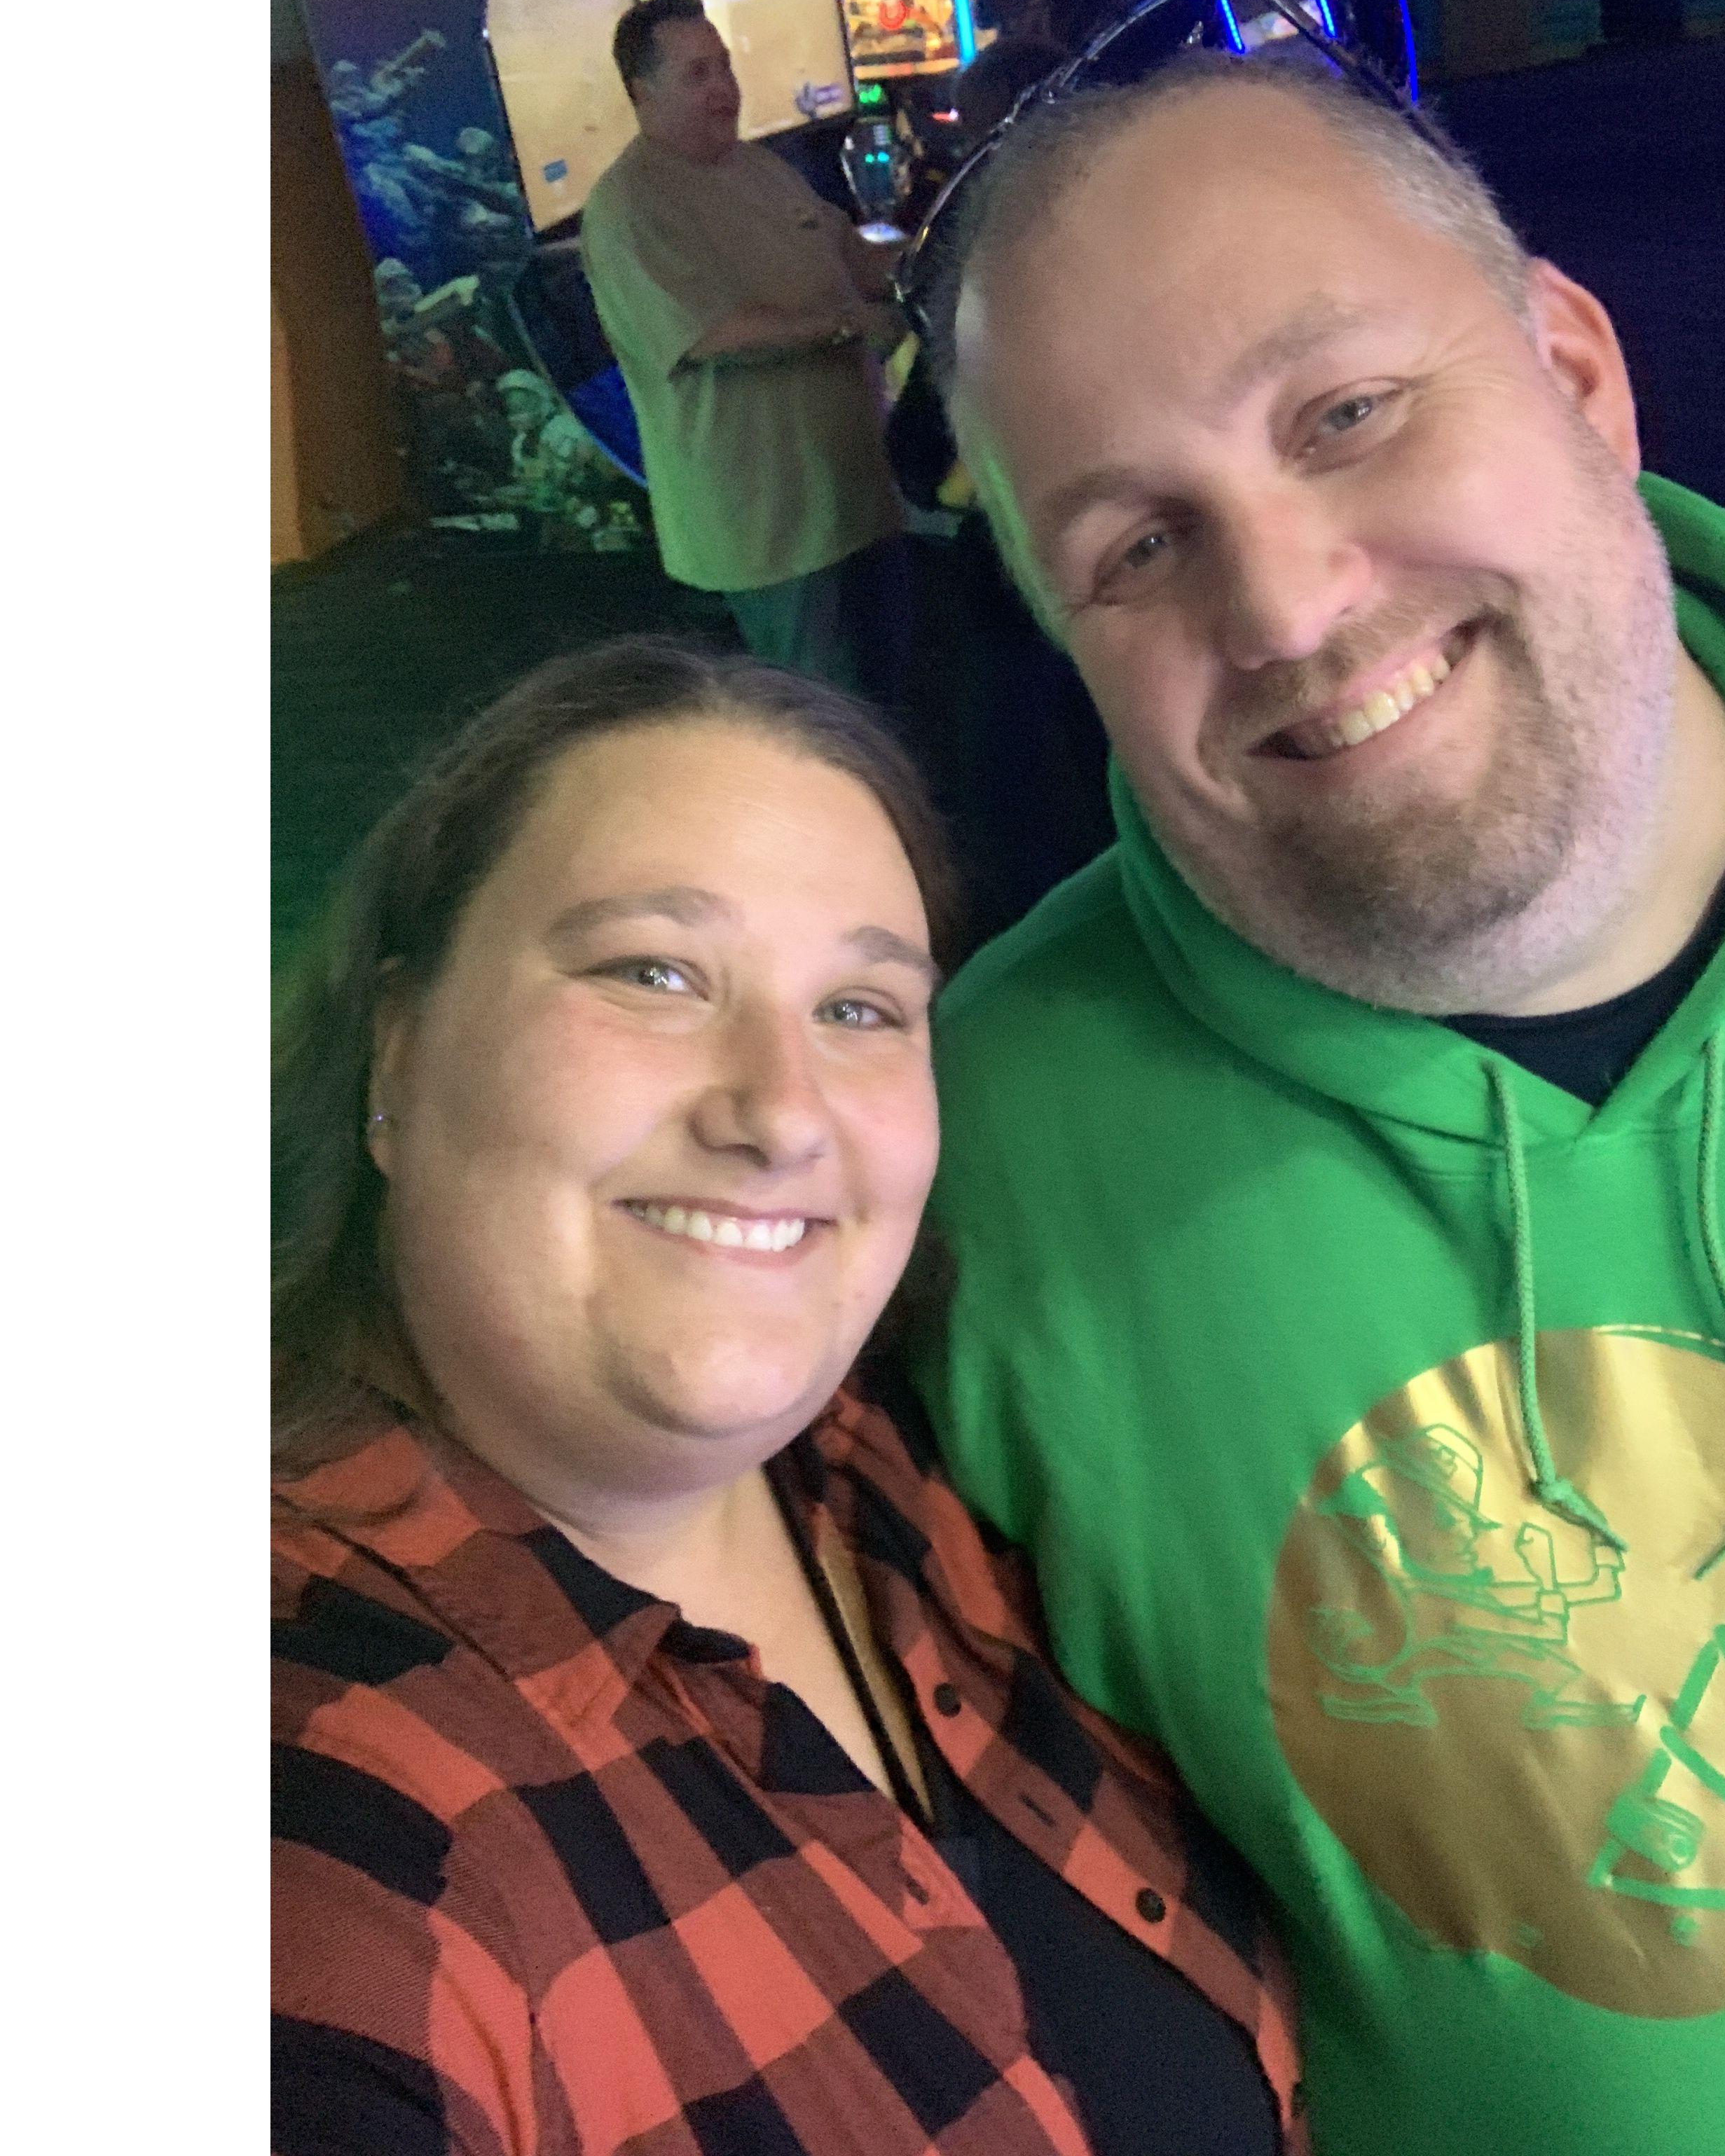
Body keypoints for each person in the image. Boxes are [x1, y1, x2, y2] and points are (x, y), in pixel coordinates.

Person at [907, 34, 1725, 2156]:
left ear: (1576, 372)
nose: (1286, 606)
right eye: (1136, 546)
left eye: (1346, 414)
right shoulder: (946, 1174)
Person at [270, 640, 1305, 2155]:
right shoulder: (324, 1793)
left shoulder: (890, 1473)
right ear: (399, 1043)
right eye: (653, 972)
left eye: (862, 1008)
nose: (778, 1110)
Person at [581, 0, 913, 699]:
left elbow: (852, 256)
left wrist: (932, 255)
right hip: (770, 531)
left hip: (852, 493)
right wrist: (849, 324)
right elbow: (717, 335)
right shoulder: (629, 207)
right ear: (641, 93)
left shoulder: (759, 168)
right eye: (697, 74)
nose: (723, 88)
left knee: (895, 690)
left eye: (724, 67)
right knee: (823, 712)